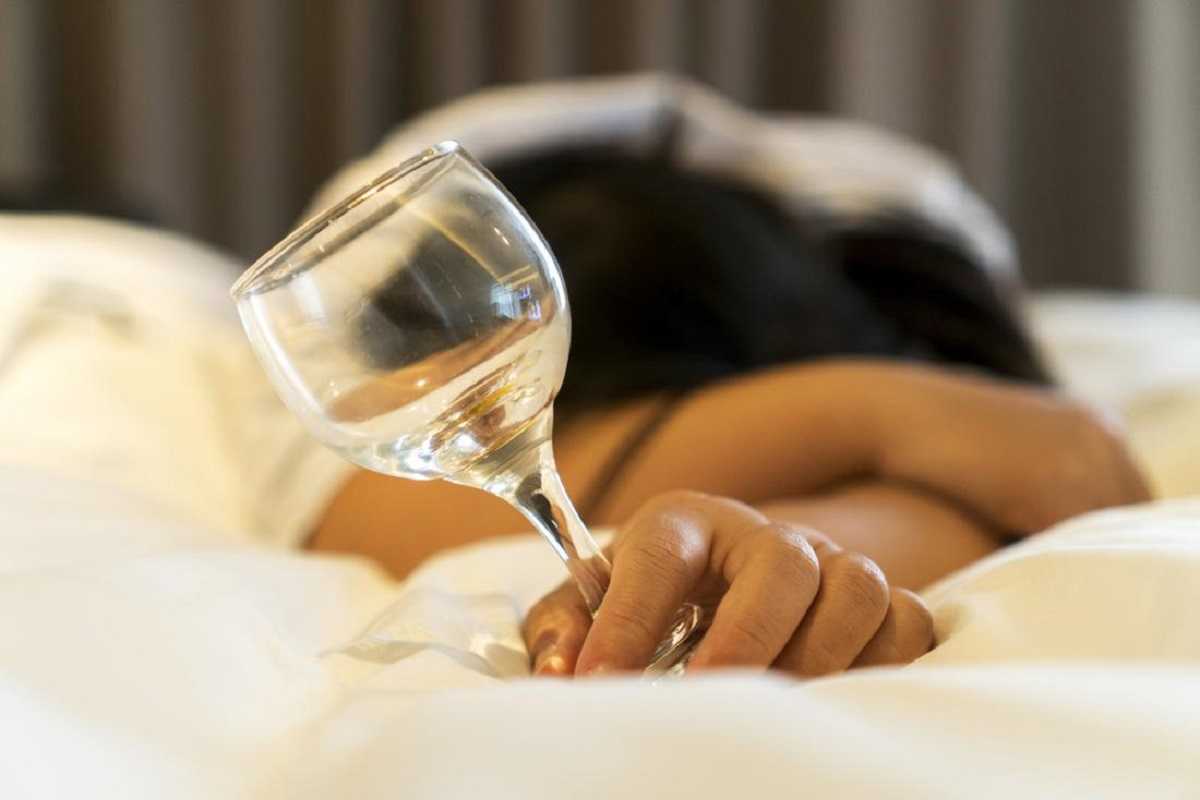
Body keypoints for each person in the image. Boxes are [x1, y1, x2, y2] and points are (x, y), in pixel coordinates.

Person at [303, 77, 1150, 679]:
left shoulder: (907, 265)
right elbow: (364, 507)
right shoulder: (382, 288)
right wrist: (875, 413)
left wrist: (793, 530)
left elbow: (1049, 471)